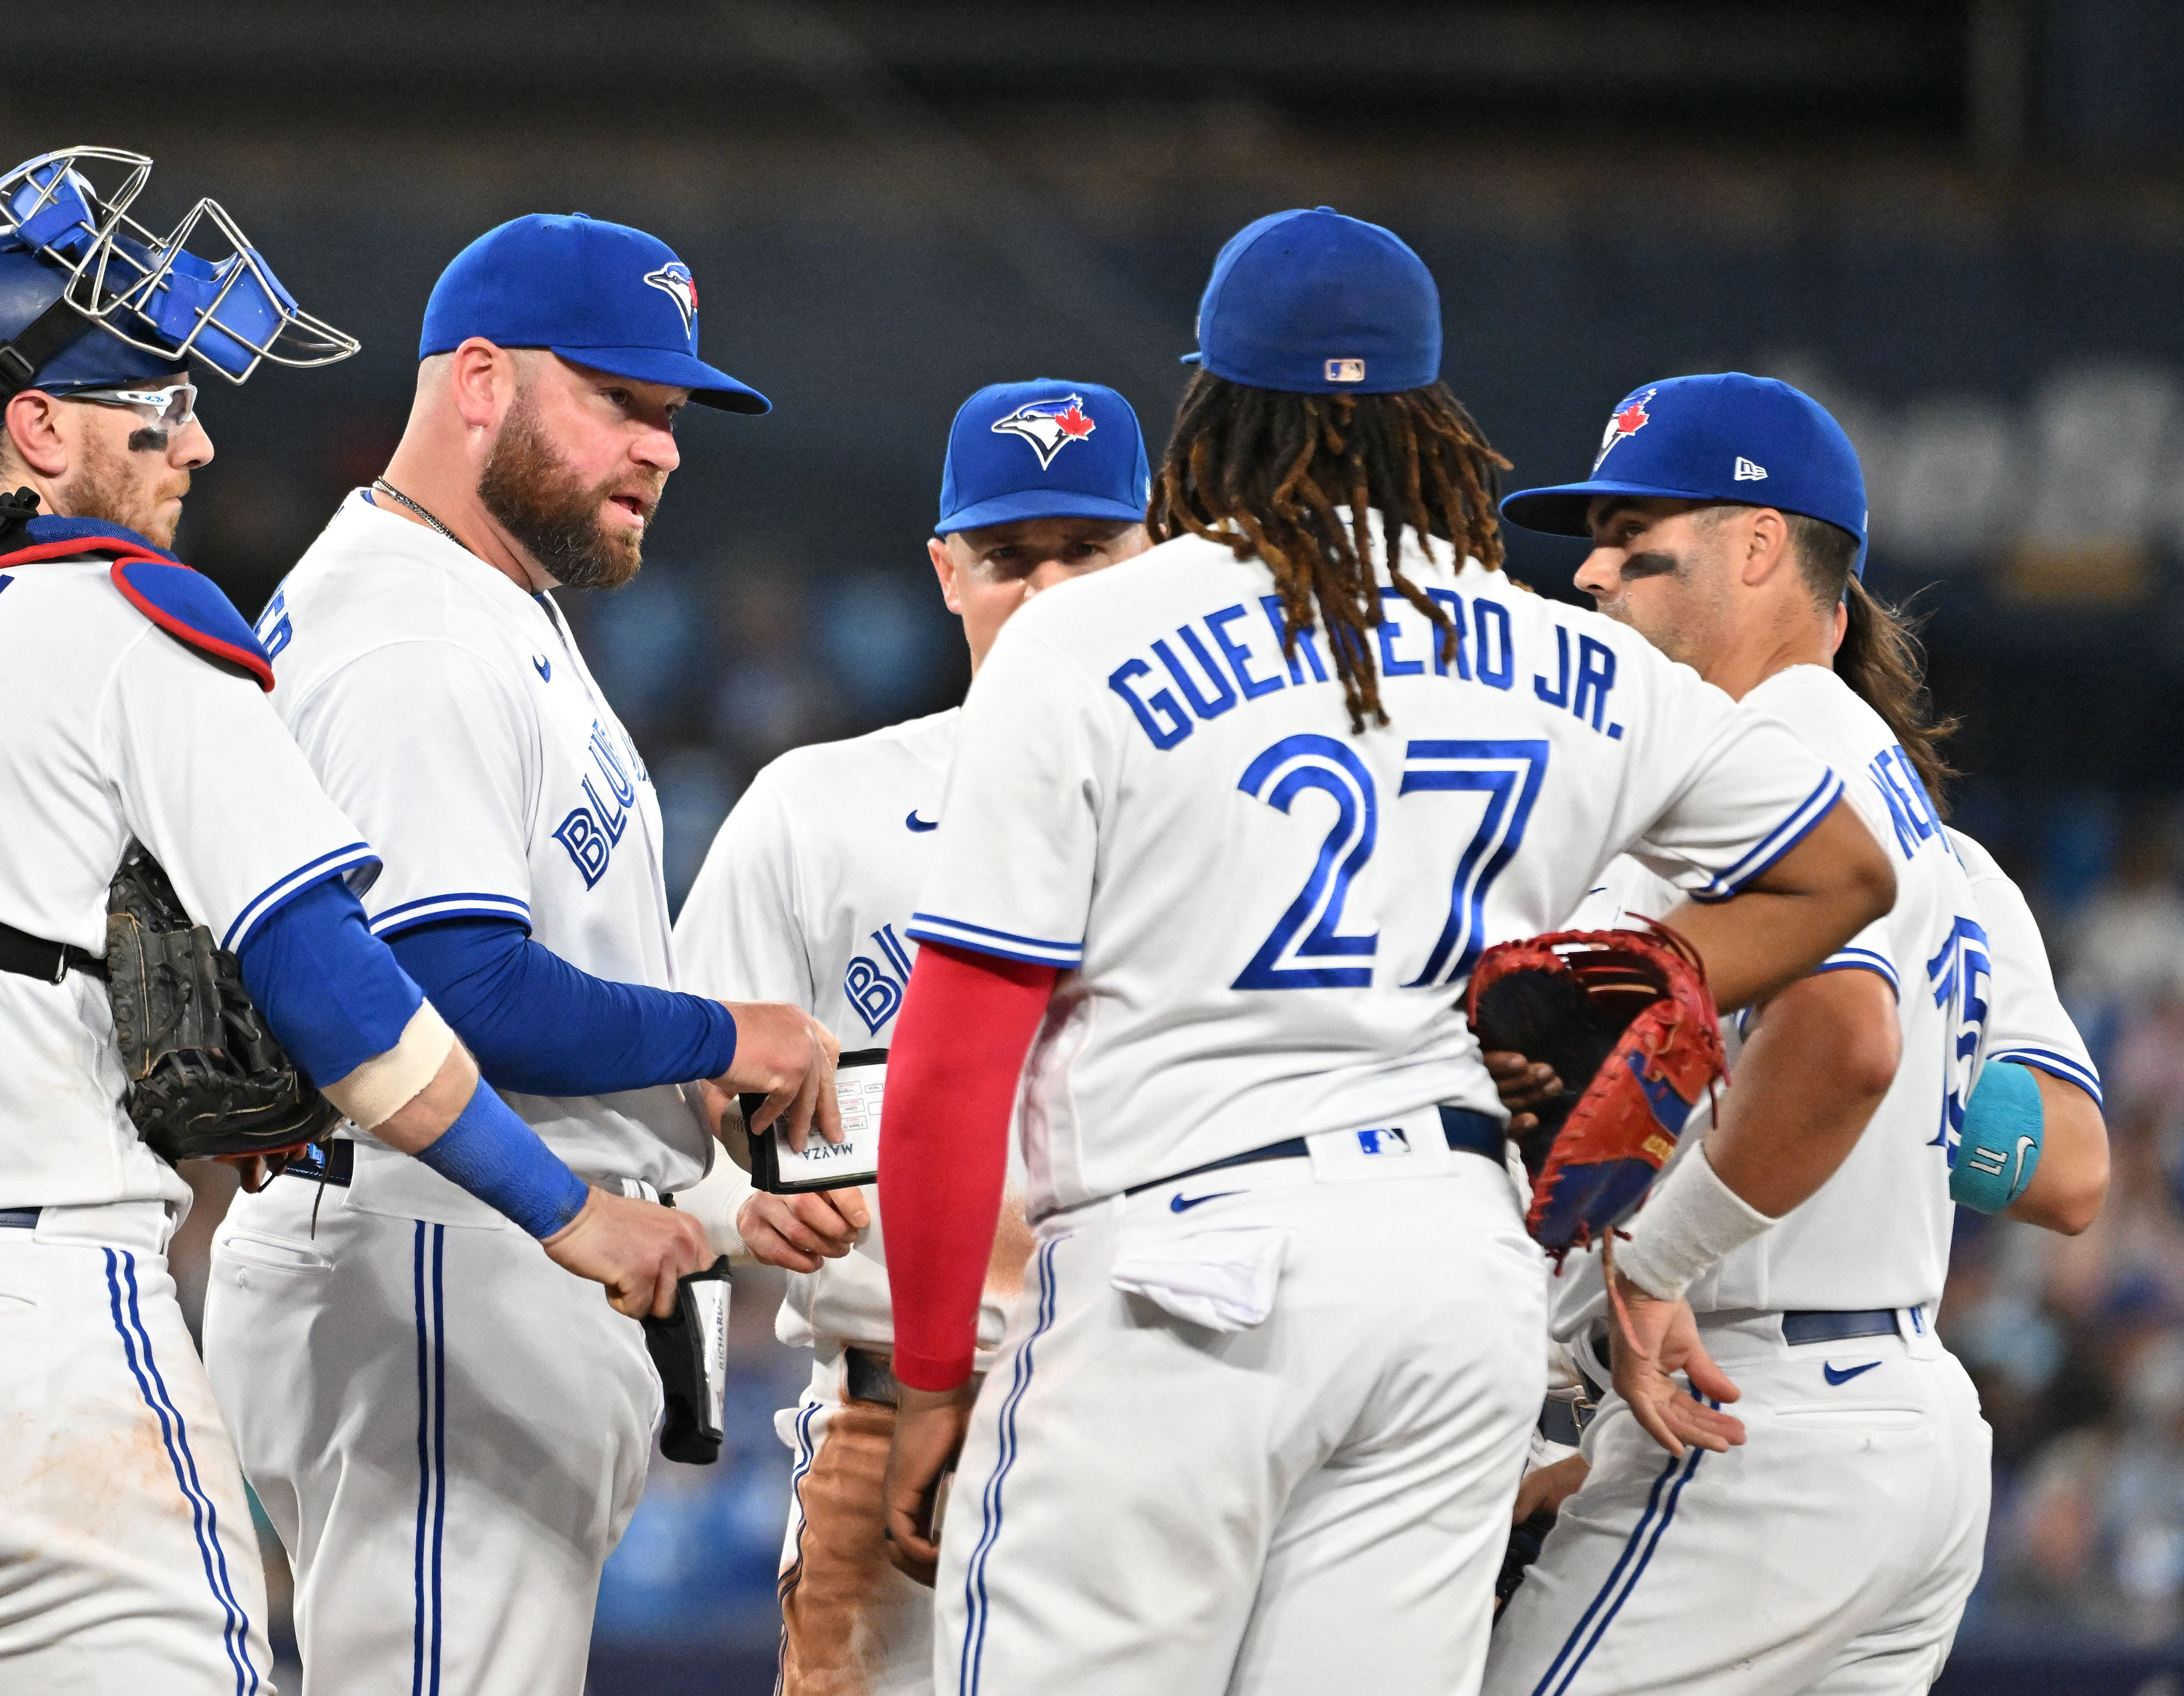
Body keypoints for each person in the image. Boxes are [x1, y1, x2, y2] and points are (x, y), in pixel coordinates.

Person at [0, 153, 701, 1695]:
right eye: (156, 406)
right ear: (37, 425)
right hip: (9, 1325)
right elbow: (335, 993)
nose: (199, 439)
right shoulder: (121, 612)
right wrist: (570, 1211)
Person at [868, 209, 1897, 1696]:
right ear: (1426, 414)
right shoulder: (1574, 656)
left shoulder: (1086, 637)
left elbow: (957, 1055)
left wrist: (929, 1376)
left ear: (1210, 407)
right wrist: (1657, 973)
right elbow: (1841, 872)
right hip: (1450, 1273)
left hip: (1182, 1269)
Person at [198, 212, 838, 1696]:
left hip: (476, 1257)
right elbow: (453, 986)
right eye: (620, 401)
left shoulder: (485, 601)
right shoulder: (410, 631)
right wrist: (724, 1035)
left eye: (671, 416)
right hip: (435, 1258)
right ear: (478, 381)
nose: (662, 448)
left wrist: (717, 1191)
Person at [1484, 373, 2105, 1696]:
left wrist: (1659, 1260)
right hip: (1896, 1418)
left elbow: (1850, 1042)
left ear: (1759, 545)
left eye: (1630, 534)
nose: (1591, 575)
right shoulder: (1942, 840)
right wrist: (1920, 1106)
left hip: (1753, 1410)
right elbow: (2066, 1168)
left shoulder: (1786, 753)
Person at [673, 377, 1153, 1696]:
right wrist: (741, 1210)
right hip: (891, 1408)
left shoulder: (1251, 810)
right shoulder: (822, 807)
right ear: (946, 570)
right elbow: (675, 1116)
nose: (1046, 591)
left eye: (1088, 552)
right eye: (1008, 556)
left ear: (1156, 559)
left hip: (1176, 1398)